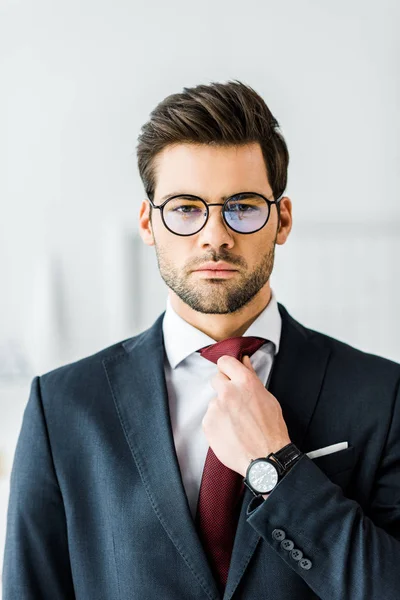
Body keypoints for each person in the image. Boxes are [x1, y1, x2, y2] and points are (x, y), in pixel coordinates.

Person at [2, 80, 400, 600]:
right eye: (187, 208)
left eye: (242, 206)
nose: (215, 235)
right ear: (149, 222)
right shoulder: (62, 408)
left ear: (282, 219)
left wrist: (276, 465)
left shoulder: (382, 395)